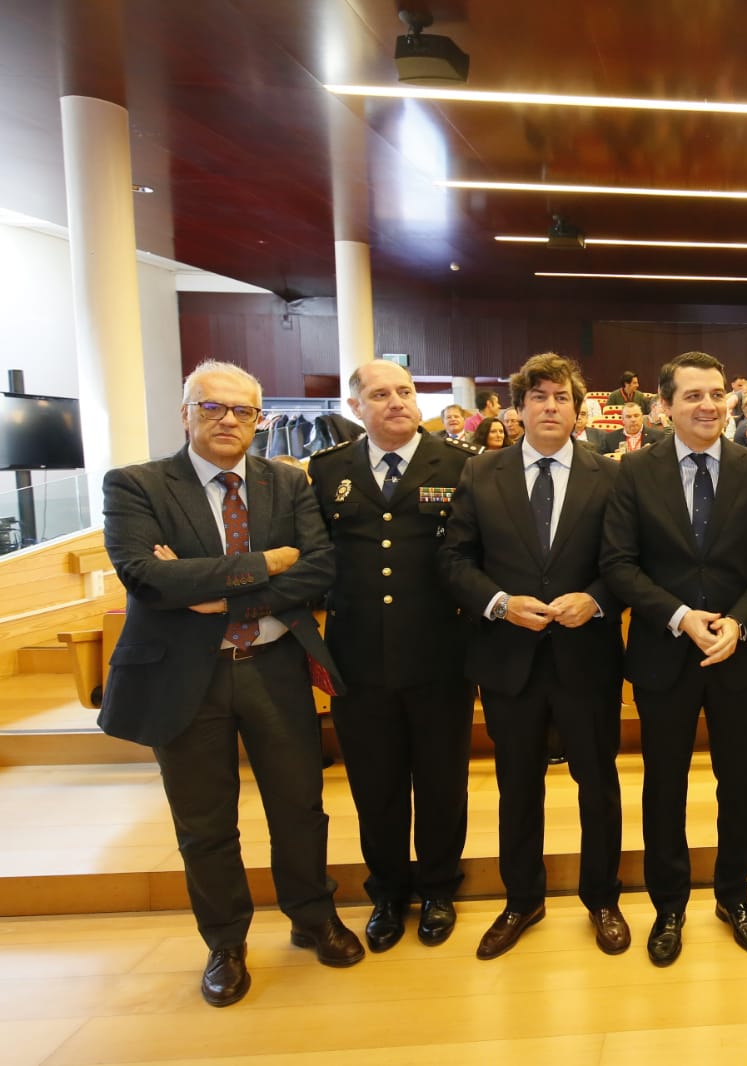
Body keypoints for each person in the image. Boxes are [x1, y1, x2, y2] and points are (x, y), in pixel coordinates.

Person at [98, 359, 361, 1007]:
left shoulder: (286, 483)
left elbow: (320, 569)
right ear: (184, 412)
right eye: (212, 407)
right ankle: (224, 942)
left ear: (258, 419)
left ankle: (312, 917)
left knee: (299, 806)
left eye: (242, 410)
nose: (227, 420)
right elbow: (146, 577)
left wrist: (220, 594)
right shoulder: (136, 485)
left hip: (273, 667)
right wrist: (264, 565)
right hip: (184, 678)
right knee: (204, 822)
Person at [600, 350, 747, 966]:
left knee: (738, 784)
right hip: (664, 652)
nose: (709, 404)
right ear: (664, 406)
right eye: (693, 395)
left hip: (736, 656)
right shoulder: (633, 472)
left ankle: (733, 897)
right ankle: (669, 905)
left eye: (717, 393)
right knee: (665, 787)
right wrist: (682, 617)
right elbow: (618, 565)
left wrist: (739, 622)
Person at [440, 352, 631, 958]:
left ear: (579, 410)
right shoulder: (481, 473)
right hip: (508, 659)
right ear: (518, 408)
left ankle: (603, 897)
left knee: (597, 784)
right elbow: (452, 560)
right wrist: (497, 602)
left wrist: (597, 601)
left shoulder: (611, 475)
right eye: (540, 396)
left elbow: (628, 564)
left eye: (563, 398)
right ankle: (522, 899)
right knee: (516, 785)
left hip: (587, 656)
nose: (551, 407)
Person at [307, 360, 477, 952]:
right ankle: (387, 892)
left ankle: (437, 888)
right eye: (381, 394)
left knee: (440, 779)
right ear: (356, 406)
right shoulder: (328, 472)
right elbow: (316, 558)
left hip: (439, 654)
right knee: (374, 785)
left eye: (405, 391)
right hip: (357, 658)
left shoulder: (459, 466)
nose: (397, 402)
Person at [600, 401, 665, 454]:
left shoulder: (658, 436)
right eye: (628, 417)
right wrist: (614, 458)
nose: (633, 420)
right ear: (622, 419)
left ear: (642, 417)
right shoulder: (610, 438)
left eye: (636, 416)